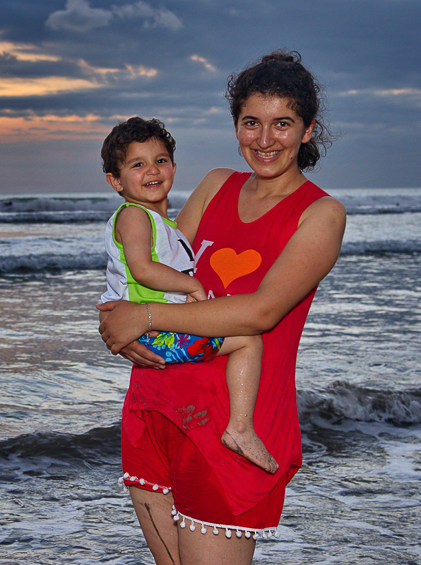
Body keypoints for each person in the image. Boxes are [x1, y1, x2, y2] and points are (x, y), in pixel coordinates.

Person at [97, 51, 346, 565]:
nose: (265, 139)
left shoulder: (320, 214)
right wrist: (114, 323)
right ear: (236, 125)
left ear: (307, 130)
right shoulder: (215, 185)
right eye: (251, 122)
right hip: (156, 405)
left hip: (233, 429)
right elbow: (150, 275)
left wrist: (143, 319)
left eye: (282, 124)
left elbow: (260, 313)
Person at [99, 117, 277, 474]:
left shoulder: (163, 224)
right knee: (248, 339)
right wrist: (192, 286)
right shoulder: (134, 216)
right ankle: (240, 429)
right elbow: (142, 269)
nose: (152, 170)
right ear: (115, 181)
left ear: (174, 168)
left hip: (154, 328)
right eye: (138, 164)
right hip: (156, 333)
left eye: (160, 160)